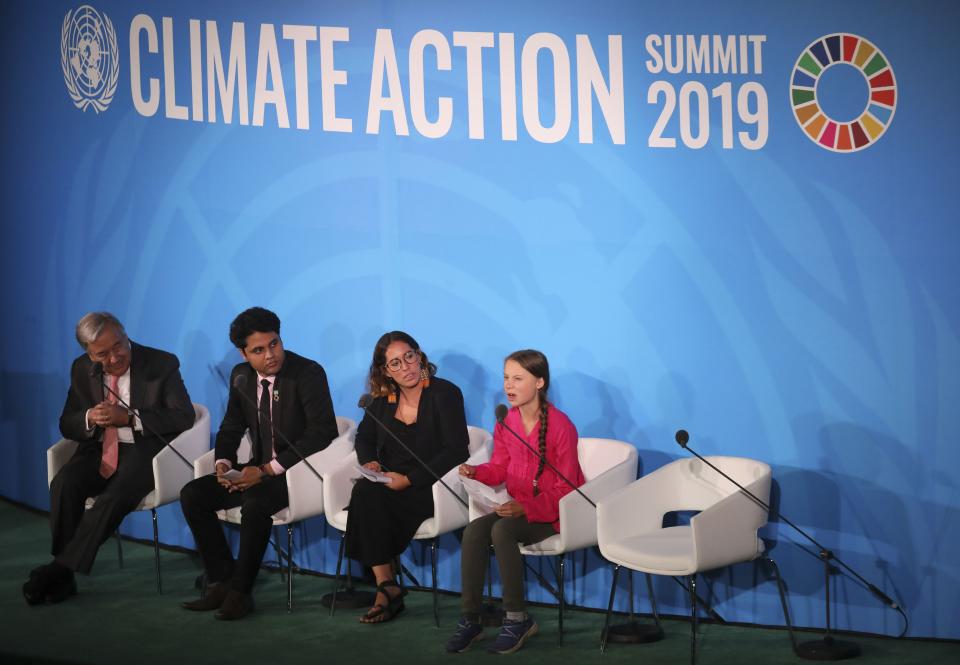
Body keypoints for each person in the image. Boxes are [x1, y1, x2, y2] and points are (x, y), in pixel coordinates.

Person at [23, 312, 195, 605]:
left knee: (112, 499)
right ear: (88, 353)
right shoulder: (81, 369)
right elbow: (68, 423)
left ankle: (58, 570)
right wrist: (90, 417)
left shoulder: (161, 363)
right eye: (102, 354)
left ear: (125, 334)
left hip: (145, 452)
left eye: (119, 345)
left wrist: (129, 417)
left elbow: (183, 415)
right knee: (65, 483)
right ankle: (64, 576)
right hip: (99, 448)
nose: (115, 357)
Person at [179, 307, 339, 620]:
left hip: (295, 475)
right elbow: (231, 425)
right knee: (193, 494)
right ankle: (221, 580)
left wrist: (267, 470)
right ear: (243, 353)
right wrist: (224, 463)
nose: (270, 355)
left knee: (255, 502)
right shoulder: (240, 376)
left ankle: (241, 592)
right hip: (256, 469)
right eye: (259, 350)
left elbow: (323, 432)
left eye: (275, 344)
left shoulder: (307, 373)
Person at [446, 349, 583, 654]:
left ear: (539, 382)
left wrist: (527, 508)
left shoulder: (561, 426)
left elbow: (567, 487)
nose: (509, 385)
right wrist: (476, 471)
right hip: (517, 509)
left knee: (502, 531)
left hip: (553, 514)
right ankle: (470, 619)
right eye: (506, 378)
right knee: (474, 531)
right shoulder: (506, 421)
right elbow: (499, 468)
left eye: (518, 378)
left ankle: (517, 618)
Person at [346, 331, 469, 624]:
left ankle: (387, 590)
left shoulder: (444, 393)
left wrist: (410, 479)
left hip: (429, 484)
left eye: (409, 357)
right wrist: (371, 462)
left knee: (368, 501)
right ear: (385, 371)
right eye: (395, 364)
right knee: (365, 491)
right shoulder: (383, 400)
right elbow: (364, 438)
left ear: (420, 355)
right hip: (389, 482)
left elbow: (455, 450)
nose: (406, 368)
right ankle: (386, 584)